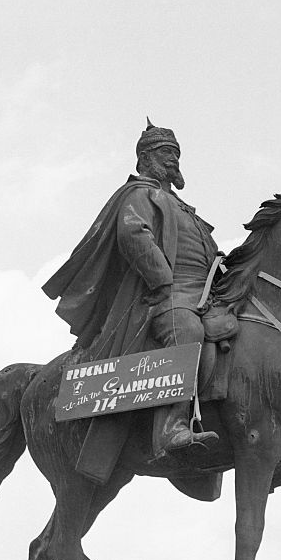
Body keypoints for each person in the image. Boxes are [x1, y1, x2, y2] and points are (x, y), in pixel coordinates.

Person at [42, 120, 220, 461]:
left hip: (207, 296)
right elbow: (134, 235)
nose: (173, 160)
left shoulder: (186, 210)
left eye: (176, 154)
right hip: (168, 296)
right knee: (187, 329)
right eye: (166, 153)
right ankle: (172, 427)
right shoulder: (139, 195)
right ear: (145, 158)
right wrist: (163, 280)